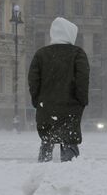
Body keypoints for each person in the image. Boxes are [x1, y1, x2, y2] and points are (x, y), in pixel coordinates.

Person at [28, 17, 89, 162]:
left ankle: (42, 174)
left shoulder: (41, 54)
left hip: (46, 107)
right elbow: (82, 81)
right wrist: (81, 101)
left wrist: (38, 101)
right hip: (71, 108)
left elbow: (33, 81)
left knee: (47, 141)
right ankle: (69, 175)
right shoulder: (77, 54)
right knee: (69, 141)